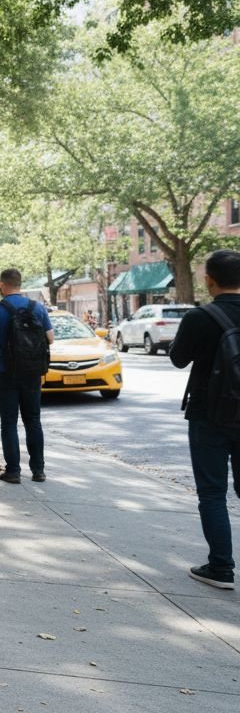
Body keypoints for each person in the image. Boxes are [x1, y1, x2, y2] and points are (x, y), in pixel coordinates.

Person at [168, 250, 240, 590]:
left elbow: (178, 359)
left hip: (208, 415)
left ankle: (221, 567)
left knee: (212, 493)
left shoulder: (199, 317)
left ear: (209, 280)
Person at [0, 269, 53, 483]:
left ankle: (13, 472)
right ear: (19, 284)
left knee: (9, 422)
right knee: (33, 420)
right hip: (32, 372)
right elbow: (50, 338)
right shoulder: (37, 308)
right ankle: (38, 470)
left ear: (2, 285)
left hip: (5, 371)